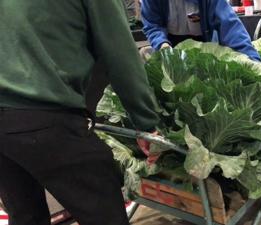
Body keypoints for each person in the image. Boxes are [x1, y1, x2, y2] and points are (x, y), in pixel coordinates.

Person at [0, 1, 159, 225]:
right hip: (42, 113)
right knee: (103, 210)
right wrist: (147, 123)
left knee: (26, 216)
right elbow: (119, 52)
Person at [140, 0, 261, 61]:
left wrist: (251, 60)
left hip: (203, 47)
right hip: (169, 46)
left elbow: (230, 27)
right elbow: (153, 25)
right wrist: (162, 44)